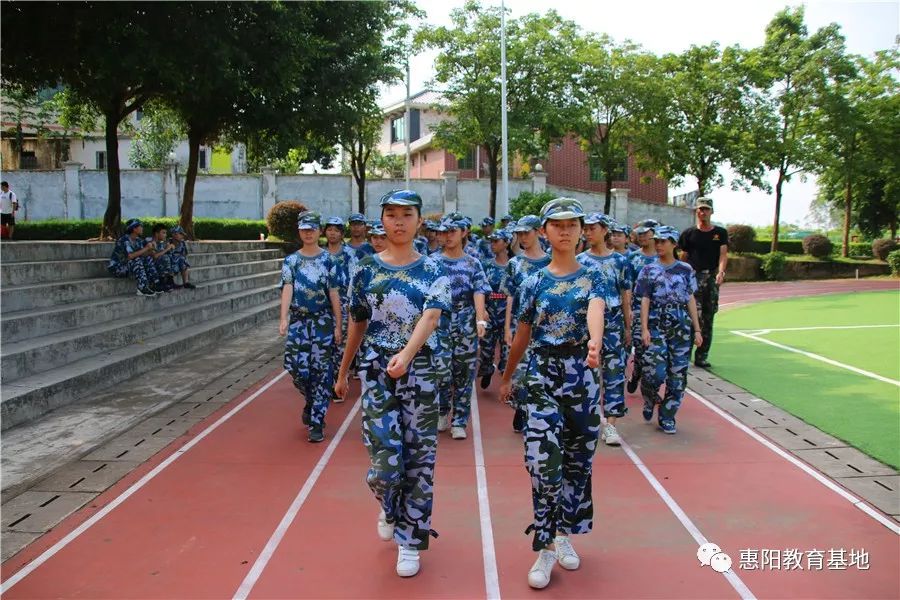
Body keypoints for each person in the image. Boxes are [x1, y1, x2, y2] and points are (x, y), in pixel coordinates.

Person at [334, 189, 451, 579]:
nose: (398, 221)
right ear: (381, 221)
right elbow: (358, 322)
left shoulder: (434, 269)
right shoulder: (365, 269)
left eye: (407, 214)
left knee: (419, 460)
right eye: (391, 214)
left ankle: (410, 541)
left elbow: (431, 317)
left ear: (420, 221)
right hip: (377, 373)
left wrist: (408, 353)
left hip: (421, 372)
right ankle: (388, 504)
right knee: (384, 467)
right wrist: (343, 370)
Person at [499, 197, 605, 590]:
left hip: (582, 373)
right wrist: (508, 376)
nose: (565, 230)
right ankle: (543, 545)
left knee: (578, 462)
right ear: (544, 231)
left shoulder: (595, 276)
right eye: (556, 224)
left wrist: (594, 342)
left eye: (572, 224)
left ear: (581, 231)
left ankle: (564, 534)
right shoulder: (533, 281)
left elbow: (597, 308)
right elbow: (523, 333)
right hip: (542, 374)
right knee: (544, 463)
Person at [279, 211, 343, 443]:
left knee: (322, 372)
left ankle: (317, 421)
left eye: (312, 229)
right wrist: (284, 317)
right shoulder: (291, 261)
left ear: (319, 232)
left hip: (322, 321)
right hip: (299, 321)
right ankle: (310, 399)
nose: (308, 233)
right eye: (304, 230)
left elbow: (334, 293)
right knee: (296, 368)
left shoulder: (329, 260)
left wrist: (338, 324)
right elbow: (287, 287)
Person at [636, 225, 702, 434]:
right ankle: (649, 397)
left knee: (678, 374)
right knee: (654, 371)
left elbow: (690, 298)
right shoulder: (648, 270)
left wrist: (697, 329)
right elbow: (645, 299)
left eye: (663, 241)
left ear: (674, 244)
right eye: (656, 241)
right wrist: (644, 328)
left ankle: (667, 415)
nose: (658, 245)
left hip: (680, 324)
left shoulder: (685, 270)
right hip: (656, 323)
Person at [577, 213, 632, 447]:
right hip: (586, 324)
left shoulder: (620, 261)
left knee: (614, 374)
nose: (588, 232)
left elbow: (625, 295)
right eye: (585, 229)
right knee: (586, 374)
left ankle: (610, 425)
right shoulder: (579, 260)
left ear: (604, 230)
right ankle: (588, 421)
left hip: (614, 323)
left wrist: (629, 326)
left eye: (593, 228)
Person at [433, 216, 489, 438]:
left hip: (465, 321)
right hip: (440, 321)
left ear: (464, 232)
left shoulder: (473, 263)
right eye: (443, 232)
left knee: (464, 373)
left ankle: (459, 420)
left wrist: (480, 319)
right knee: (441, 370)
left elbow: (479, 290)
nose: (447, 236)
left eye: (452, 232)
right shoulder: (433, 261)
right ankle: (443, 410)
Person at [502, 215, 551, 432]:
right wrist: (506, 328)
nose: (522, 237)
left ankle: (534, 412)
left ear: (538, 232)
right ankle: (521, 408)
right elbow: (509, 297)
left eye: (526, 232)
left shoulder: (551, 262)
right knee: (520, 373)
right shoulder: (515, 264)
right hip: (521, 326)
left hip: (545, 329)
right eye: (519, 233)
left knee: (543, 374)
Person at [677, 197, 728, 368]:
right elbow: (683, 257)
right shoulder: (689, 234)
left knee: (708, 317)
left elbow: (723, 254)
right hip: (693, 279)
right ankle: (685, 355)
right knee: (692, 317)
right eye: (700, 209)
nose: (702, 212)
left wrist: (721, 271)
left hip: (711, 279)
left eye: (706, 209)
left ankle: (701, 356)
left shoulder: (720, 233)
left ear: (711, 211)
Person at [323, 216, 359, 402]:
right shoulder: (320, 254)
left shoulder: (349, 255)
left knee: (340, 346)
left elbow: (353, 279)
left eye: (336, 230)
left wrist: (351, 302)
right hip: (323, 306)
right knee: (325, 346)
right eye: (329, 229)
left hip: (344, 303)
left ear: (341, 233)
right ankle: (326, 382)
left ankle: (338, 383)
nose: (332, 233)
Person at [625, 219, 659, 393]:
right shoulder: (633, 258)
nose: (643, 236)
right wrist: (629, 308)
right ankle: (637, 371)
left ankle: (650, 391)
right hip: (638, 309)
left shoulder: (662, 258)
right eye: (640, 233)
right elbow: (628, 286)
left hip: (659, 312)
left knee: (656, 352)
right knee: (640, 349)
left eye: (646, 233)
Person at [478, 228, 513, 390]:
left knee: (507, 355)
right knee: (486, 352)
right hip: (490, 316)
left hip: (509, 317)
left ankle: (505, 384)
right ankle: (487, 369)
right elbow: (480, 290)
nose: (492, 244)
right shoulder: (486, 265)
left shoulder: (514, 266)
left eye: (496, 241)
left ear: (506, 243)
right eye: (491, 241)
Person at [108, 219, 163, 296]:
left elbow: (142, 254)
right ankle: (142, 287)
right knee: (136, 260)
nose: (142, 228)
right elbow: (130, 256)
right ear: (134, 229)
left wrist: (150, 251)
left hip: (128, 265)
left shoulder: (138, 240)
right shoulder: (124, 240)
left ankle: (155, 283)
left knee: (147, 259)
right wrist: (146, 248)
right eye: (141, 226)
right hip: (118, 268)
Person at [148, 223, 177, 292]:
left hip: (158, 265)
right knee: (165, 257)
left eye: (166, 233)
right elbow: (155, 256)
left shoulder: (161, 242)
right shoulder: (150, 242)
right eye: (163, 233)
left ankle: (170, 280)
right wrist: (167, 249)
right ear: (156, 234)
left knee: (171, 255)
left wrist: (170, 247)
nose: (165, 235)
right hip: (150, 266)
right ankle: (162, 282)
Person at [167, 225, 195, 290]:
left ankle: (186, 283)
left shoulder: (182, 243)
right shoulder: (167, 243)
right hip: (169, 265)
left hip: (177, 264)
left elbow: (184, 254)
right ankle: (170, 282)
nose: (182, 236)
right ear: (174, 234)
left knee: (182, 259)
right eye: (181, 234)